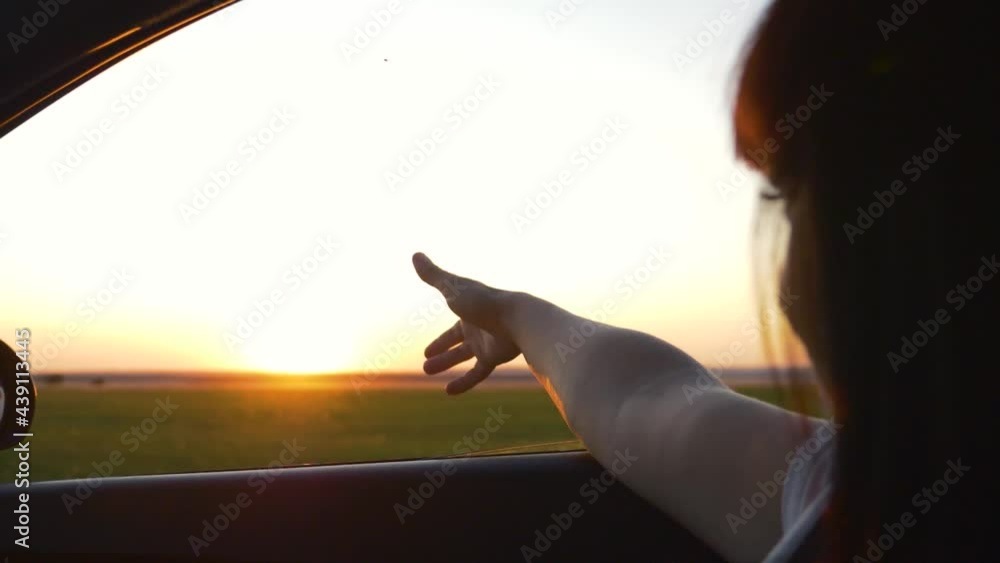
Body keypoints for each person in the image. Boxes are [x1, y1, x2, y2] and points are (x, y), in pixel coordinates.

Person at [410, 1, 993, 561]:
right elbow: (645, 400)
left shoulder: (858, 502)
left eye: (786, 191)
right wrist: (513, 313)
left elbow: (646, 402)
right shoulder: (852, 491)